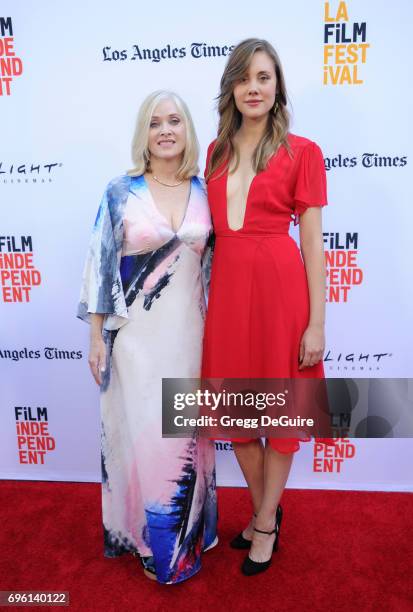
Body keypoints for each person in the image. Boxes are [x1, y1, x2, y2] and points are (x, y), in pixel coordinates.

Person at [202, 38, 335, 576]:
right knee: (236, 420)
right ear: (231, 88)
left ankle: (262, 524)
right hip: (229, 297)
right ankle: (268, 511)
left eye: (264, 77)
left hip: (282, 297)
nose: (253, 88)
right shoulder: (214, 152)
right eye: (244, 78)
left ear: (277, 85)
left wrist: (317, 323)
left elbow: (312, 245)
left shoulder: (303, 152)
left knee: (279, 419)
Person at [77, 90, 217, 584]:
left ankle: (190, 532)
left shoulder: (206, 190)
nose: (165, 130)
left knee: (185, 443)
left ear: (187, 129)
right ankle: (156, 545)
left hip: (192, 339)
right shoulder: (120, 191)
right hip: (135, 341)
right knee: (148, 440)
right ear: (144, 132)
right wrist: (97, 337)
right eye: (155, 122)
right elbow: (98, 266)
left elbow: (219, 269)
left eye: (174, 120)